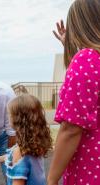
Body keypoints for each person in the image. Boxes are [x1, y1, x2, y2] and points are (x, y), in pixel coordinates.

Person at [48, 0, 100, 185]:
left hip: (91, 169)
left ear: (79, 24)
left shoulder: (87, 59)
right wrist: (69, 47)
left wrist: (52, 179)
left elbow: (71, 128)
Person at [0, 94, 52, 185]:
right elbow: (13, 157)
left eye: (9, 115)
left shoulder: (19, 151)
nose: (8, 117)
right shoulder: (35, 144)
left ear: (17, 120)